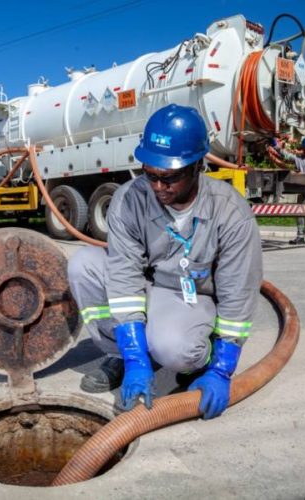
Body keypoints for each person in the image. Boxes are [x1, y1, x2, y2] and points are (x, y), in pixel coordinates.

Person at [68, 104, 263, 420]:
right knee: (83, 265)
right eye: (150, 174)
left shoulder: (230, 212)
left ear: (198, 165)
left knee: (175, 349)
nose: (158, 187)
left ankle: (200, 353)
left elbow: (237, 293)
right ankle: (122, 353)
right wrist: (135, 358)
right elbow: (123, 273)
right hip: (149, 284)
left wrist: (222, 369)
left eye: (169, 177)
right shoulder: (130, 199)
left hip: (193, 295)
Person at [274, 136, 305, 247]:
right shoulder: (299, 159)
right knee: (300, 213)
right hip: (301, 190)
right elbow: (286, 155)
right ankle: (300, 237)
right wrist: (277, 147)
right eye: (304, 147)